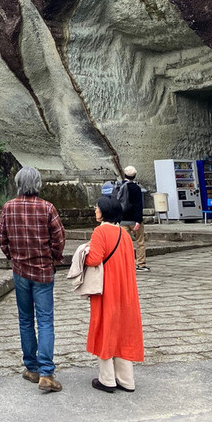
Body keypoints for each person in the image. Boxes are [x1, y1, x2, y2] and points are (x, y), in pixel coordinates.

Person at [0, 167, 65, 393]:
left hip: (20, 271)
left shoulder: (8, 207)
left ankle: (31, 367)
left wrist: (13, 257)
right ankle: (46, 372)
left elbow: (2, 238)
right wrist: (53, 259)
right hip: (44, 271)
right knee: (45, 320)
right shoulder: (47, 208)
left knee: (25, 320)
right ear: (38, 183)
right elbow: (59, 238)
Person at [85, 195, 144, 392]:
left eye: (97, 208)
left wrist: (83, 253)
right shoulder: (125, 235)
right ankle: (127, 379)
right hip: (125, 289)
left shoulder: (100, 232)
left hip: (106, 288)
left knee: (105, 328)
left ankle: (107, 378)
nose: (95, 210)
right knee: (123, 331)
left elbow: (94, 259)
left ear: (104, 212)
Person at [120, 166, 149, 271]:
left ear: (124, 175)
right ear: (135, 176)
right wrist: (138, 220)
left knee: (124, 244)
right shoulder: (136, 188)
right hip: (134, 219)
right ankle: (140, 264)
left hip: (122, 220)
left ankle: (126, 264)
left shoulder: (119, 186)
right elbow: (138, 205)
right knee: (140, 242)